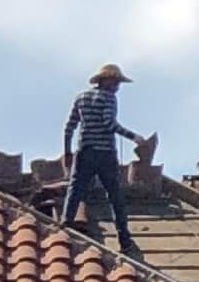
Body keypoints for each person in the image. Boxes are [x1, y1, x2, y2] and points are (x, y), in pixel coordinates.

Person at [60, 63, 144, 253]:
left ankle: (65, 223)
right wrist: (133, 137)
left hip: (84, 150)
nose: (117, 86)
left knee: (75, 189)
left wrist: (67, 151)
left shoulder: (81, 97)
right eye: (115, 82)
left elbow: (69, 126)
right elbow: (109, 123)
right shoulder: (109, 98)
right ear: (107, 80)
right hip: (104, 153)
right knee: (115, 195)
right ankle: (124, 238)